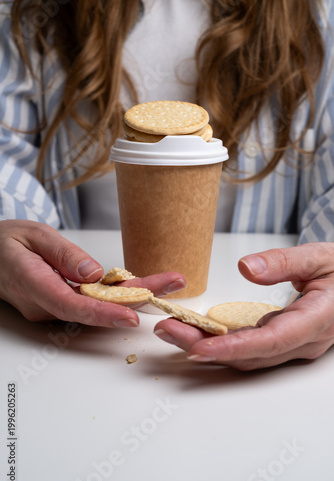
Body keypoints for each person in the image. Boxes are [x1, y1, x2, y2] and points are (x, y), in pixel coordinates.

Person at [0, 0, 333, 370]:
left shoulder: (320, 17)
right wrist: (6, 233)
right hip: (86, 341)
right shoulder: (34, 14)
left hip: (261, 296)